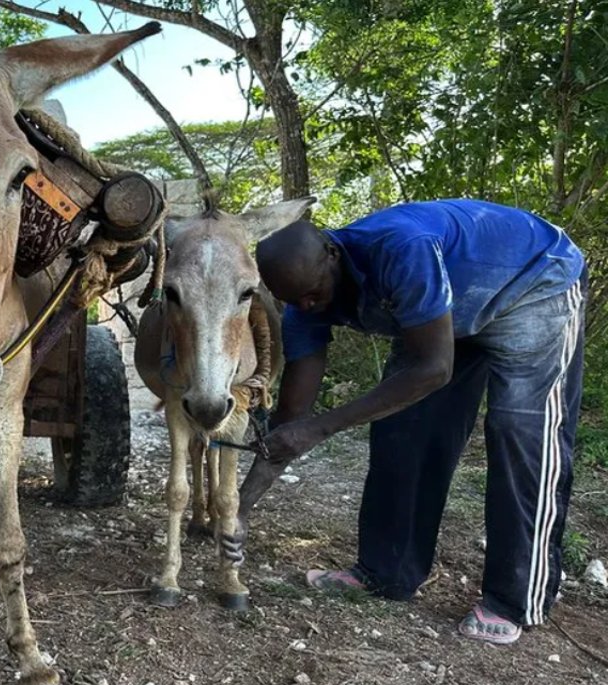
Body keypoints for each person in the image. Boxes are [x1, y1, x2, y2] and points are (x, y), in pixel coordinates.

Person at [239, 199, 585, 645]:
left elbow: (433, 368)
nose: (307, 304)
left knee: (522, 435)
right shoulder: (302, 305)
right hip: (441, 316)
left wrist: (321, 427)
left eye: (314, 292)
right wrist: (240, 507)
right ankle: (387, 572)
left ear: (333, 254)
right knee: (402, 432)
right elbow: (291, 419)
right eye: (294, 301)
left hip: (534, 286)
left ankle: (514, 599)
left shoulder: (401, 248)